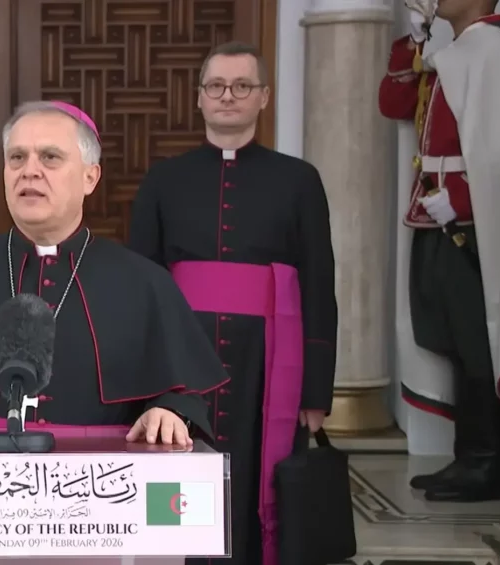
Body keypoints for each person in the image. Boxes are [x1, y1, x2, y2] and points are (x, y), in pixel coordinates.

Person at [0, 100, 228, 451]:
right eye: (17, 158)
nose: (30, 170)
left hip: (102, 483)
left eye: (50, 157)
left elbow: (180, 388)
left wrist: (169, 410)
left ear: (90, 177)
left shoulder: (145, 283)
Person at [127, 41, 338, 565]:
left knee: (259, 480)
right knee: (181, 474)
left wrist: (316, 390)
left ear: (263, 97)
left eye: (242, 86)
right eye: (216, 86)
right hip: (184, 355)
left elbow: (318, 282)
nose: (228, 96)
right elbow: (142, 284)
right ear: (199, 98)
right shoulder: (163, 180)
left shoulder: (300, 180)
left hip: (267, 360)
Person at [378, 0, 500, 502]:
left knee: (480, 342)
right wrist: (415, 41)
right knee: (456, 341)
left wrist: (462, 201)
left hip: (470, 222)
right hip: (436, 219)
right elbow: (393, 104)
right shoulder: (457, 51)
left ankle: (489, 464)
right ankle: (470, 458)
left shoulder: (496, 49)